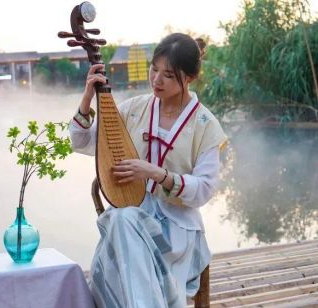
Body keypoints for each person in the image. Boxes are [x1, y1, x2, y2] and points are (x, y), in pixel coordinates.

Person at [69, 33, 227, 307]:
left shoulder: (205, 125)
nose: (156, 80)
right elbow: (81, 142)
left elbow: (203, 190)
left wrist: (155, 173)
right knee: (122, 221)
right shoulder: (134, 109)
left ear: (189, 78)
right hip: (132, 224)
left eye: (168, 75)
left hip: (177, 231)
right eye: (154, 69)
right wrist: (87, 98)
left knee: (120, 225)